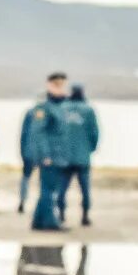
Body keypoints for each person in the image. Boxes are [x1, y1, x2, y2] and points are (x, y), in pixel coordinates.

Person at [21, 72, 69, 231]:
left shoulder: (61, 106)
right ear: (49, 85)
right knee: (49, 189)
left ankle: (38, 221)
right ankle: (50, 221)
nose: (60, 88)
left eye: (62, 85)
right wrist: (45, 154)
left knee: (50, 188)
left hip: (59, 154)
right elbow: (38, 132)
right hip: (49, 155)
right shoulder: (44, 107)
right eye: (57, 85)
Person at [55, 82, 100, 227]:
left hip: (65, 157)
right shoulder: (88, 111)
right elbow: (95, 133)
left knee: (62, 188)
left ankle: (61, 214)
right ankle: (85, 216)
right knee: (85, 189)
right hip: (82, 156)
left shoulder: (62, 109)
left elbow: (56, 132)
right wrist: (90, 148)